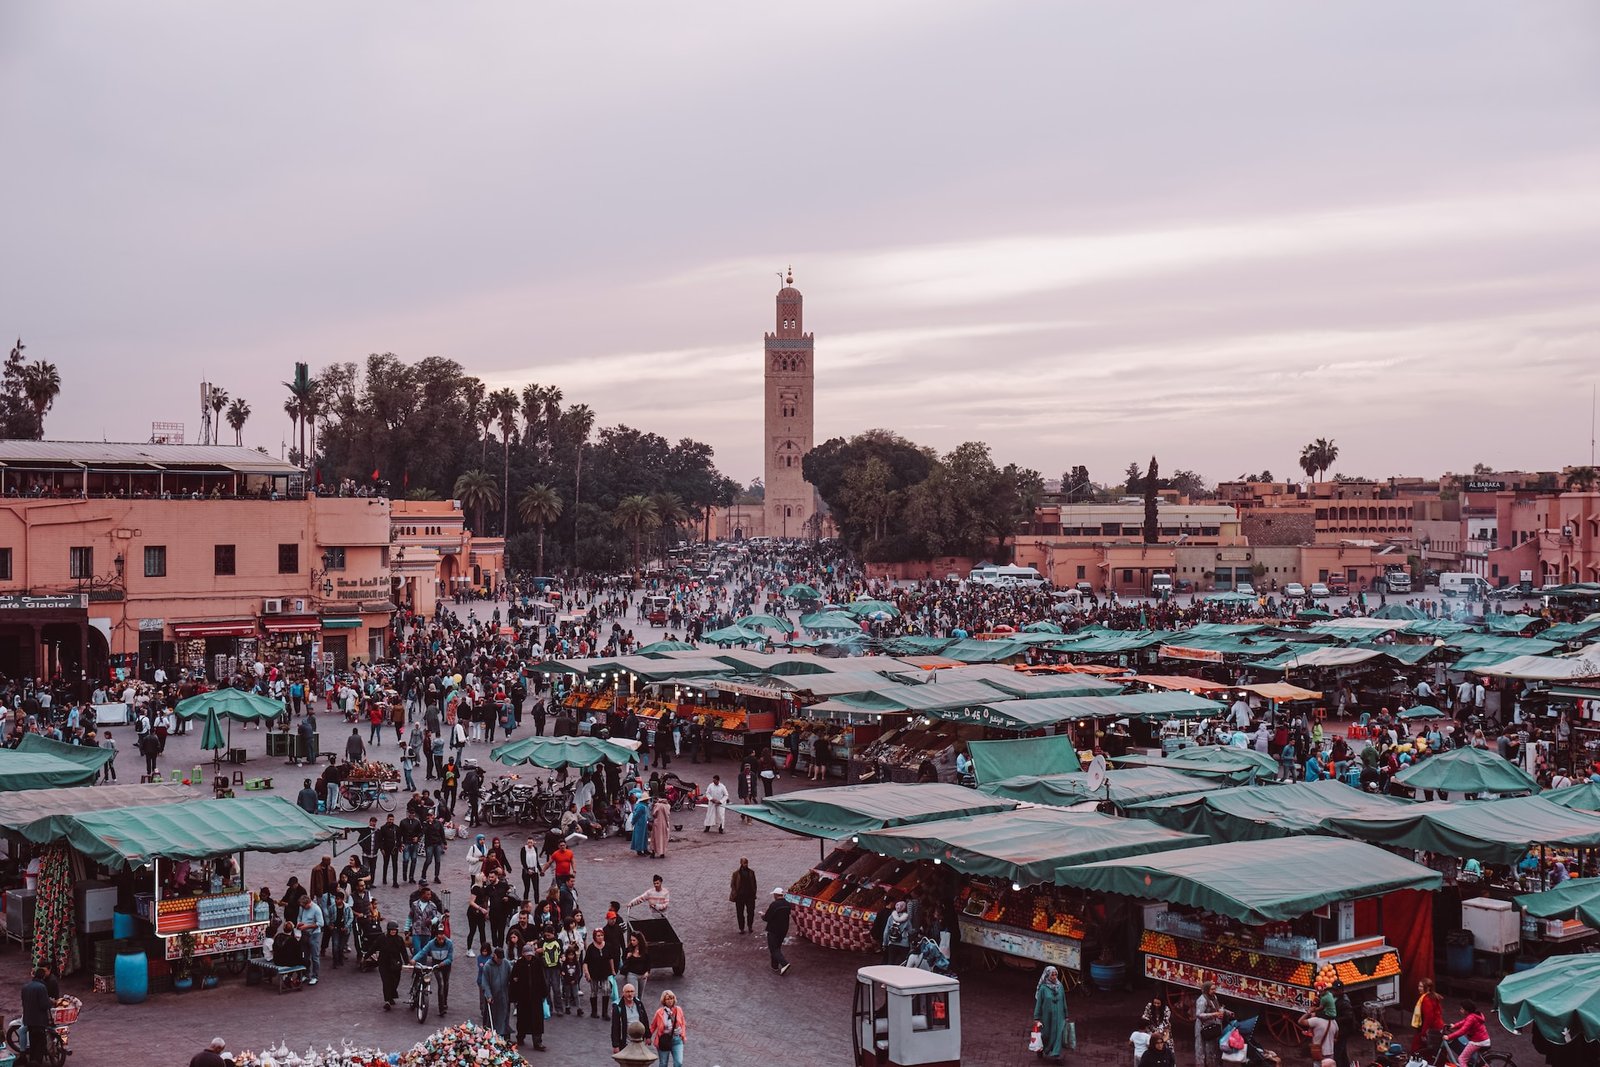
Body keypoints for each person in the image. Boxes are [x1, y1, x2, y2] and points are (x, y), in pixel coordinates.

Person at [509, 942, 548, 1050]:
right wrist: (514, 996)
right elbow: (513, 980)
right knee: (522, 1019)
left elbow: (542, 978)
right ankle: (520, 1037)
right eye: (527, 954)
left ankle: (537, 1042)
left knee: (537, 1020)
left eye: (530, 954)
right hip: (523, 997)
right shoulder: (519, 964)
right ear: (523, 954)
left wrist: (544, 993)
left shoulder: (537, 963)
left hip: (536, 996)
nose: (529, 956)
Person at [412, 927, 455, 1015]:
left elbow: (450, 958)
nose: (441, 940)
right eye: (439, 938)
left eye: (443, 938)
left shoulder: (449, 943)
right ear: (436, 937)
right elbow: (422, 952)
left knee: (446, 983)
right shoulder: (431, 943)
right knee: (441, 984)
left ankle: (444, 1002)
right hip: (436, 965)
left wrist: (444, 962)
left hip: (446, 965)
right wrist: (414, 959)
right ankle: (441, 1008)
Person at [1032, 965, 1068, 1063]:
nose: (1055, 977)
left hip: (1059, 1015)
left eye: (1056, 974)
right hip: (1046, 1016)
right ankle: (1041, 1049)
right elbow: (1039, 1004)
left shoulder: (1060, 986)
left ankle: (1056, 1054)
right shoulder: (1043, 989)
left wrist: (1066, 1014)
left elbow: (1064, 1000)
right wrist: (1037, 1017)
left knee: (1059, 1033)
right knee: (1046, 1034)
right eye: (1052, 975)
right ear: (1047, 975)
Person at [20, 967, 53, 1067]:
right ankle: (36, 1062)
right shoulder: (41, 987)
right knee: (40, 1041)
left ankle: (32, 1060)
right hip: (39, 1020)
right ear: (43, 976)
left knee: (33, 1040)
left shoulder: (25, 987)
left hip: (28, 1019)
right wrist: (51, 1003)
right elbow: (44, 1005)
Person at [478, 945, 513, 1040]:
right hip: (493, 996)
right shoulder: (488, 966)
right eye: (499, 959)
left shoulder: (506, 963)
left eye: (502, 959)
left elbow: (511, 974)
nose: (500, 961)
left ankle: (504, 1035)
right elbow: (485, 983)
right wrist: (489, 995)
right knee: (492, 1017)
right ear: (494, 956)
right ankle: (491, 1035)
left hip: (504, 995)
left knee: (504, 1015)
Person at [1444, 1001, 1491, 1067]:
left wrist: (1449, 1037)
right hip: (1484, 1039)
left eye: (1462, 1009)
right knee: (1476, 1060)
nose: (1460, 1010)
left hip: (1477, 1042)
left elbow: (1463, 1031)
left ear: (1467, 1011)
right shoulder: (1474, 1015)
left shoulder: (1471, 1018)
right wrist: (1454, 1026)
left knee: (1461, 1059)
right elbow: (1463, 1022)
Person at [650, 989, 686, 1067]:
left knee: (679, 1063)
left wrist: (683, 1035)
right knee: (663, 1064)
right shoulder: (659, 1012)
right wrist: (648, 1037)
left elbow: (683, 1023)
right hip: (664, 1040)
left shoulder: (678, 1010)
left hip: (677, 1039)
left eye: (671, 998)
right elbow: (653, 1026)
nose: (670, 1001)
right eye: (668, 999)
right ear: (664, 1000)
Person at [585, 928, 615, 1019]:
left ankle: (604, 1012)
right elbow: (585, 961)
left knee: (606, 990)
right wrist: (587, 973)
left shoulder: (608, 946)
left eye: (602, 935)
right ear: (594, 937)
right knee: (594, 991)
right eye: (598, 936)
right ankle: (594, 1012)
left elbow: (611, 958)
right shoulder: (590, 947)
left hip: (605, 972)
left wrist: (612, 970)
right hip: (593, 972)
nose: (600, 937)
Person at [761, 887, 791, 975]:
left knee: (773, 949)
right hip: (784, 929)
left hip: (773, 929)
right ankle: (774, 966)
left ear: (775, 895)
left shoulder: (774, 905)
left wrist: (763, 915)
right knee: (777, 947)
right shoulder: (787, 904)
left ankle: (784, 963)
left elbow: (767, 918)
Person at [1195, 980, 1225, 1067]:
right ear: (1207, 989)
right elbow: (1199, 1014)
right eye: (1212, 989)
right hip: (1203, 1027)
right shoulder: (1202, 1000)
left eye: (1214, 989)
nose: (1214, 991)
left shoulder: (1214, 998)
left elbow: (1217, 1008)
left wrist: (1227, 1013)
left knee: (1211, 1048)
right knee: (1201, 1048)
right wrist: (1214, 1014)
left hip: (1212, 1027)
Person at [1412, 977, 1445, 1054]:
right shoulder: (1432, 996)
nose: (1419, 988)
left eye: (1421, 986)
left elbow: (1428, 1017)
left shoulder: (1426, 1000)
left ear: (1428, 988)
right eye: (1419, 986)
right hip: (1437, 1026)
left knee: (1416, 1049)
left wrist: (1424, 1033)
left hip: (1432, 1028)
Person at [297, 890, 324, 985]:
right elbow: (299, 917)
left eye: (305, 906)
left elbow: (321, 923)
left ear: (308, 903)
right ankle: (306, 973)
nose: (304, 908)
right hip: (304, 934)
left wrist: (307, 926)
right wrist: (299, 924)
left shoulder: (316, 909)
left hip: (314, 934)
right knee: (305, 955)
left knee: (315, 956)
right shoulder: (302, 908)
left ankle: (315, 976)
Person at [612, 982, 647, 1054]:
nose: (630, 994)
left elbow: (645, 1020)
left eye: (632, 991)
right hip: (626, 1043)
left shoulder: (639, 1004)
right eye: (627, 992)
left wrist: (648, 1036)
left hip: (639, 1042)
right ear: (623, 993)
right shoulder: (618, 1007)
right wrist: (615, 1045)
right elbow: (615, 1027)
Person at [729, 858, 757, 933]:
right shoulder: (736, 873)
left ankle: (750, 926)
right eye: (744, 863)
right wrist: (735, 893)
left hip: (749, 896)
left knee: (751, 912)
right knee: (740, 913)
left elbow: (754, 884)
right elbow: (733, 884)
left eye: (746, 863)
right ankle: (741, 928)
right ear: (741, 863)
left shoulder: (751, 872)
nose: (746, 864)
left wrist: (754, 893)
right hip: (740, 897)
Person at [881, 899, 913, 965]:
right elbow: (910, 931)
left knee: (891, 962)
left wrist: (885, 943)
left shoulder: (891, 917)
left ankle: (890, 974)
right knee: (902, 963)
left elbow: (886, 932)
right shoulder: (907, 919)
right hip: (904, 944)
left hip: (892, 943)